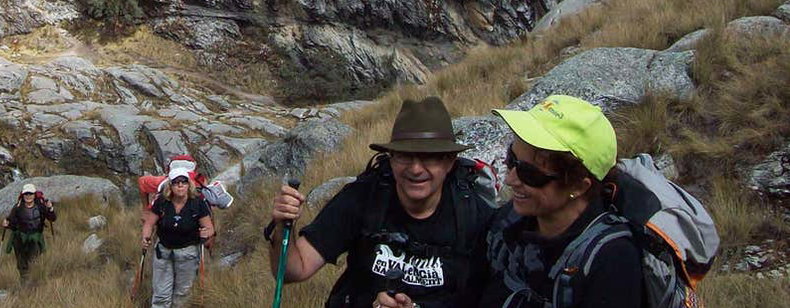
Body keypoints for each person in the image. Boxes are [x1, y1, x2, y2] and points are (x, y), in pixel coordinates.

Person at [268, 96, 498, 308]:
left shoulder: (476, 217)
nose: (416, 169)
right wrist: (282, 228)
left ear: (449, 162)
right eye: (405, 156)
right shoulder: (363, 197)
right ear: (391, 158)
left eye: (429, 157)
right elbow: (292, 271)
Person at [481, 95, 643, 308]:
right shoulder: (508, 222)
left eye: (529, 173)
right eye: (512, 161)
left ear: (578, 186)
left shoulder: (612, 261)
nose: (510, 179)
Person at [142, 167, 215, 308]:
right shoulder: (162, 202)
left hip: (187, 254)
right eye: (176, 182)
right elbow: (149, 223)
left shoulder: (197, 203)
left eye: (184, 182)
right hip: (163, 252)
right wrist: (145, 237)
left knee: (182, 295)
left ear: (189, 184)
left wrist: (206, 233)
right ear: (170, 185)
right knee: (161, 295)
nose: (180, 185)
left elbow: (210, 228)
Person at [2, 183, 56, 280]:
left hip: (35, 238)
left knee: (34, 260)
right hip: (20, 240)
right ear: (23, 195)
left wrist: (50, 208)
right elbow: (12, 224)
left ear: (34, 195)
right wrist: (7, 224)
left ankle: (34, 281)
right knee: (22, 263)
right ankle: (25, 282)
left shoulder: (40, 206)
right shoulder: (17, 208)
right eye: (26, 194)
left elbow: (52, 218)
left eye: (30, 194)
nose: (28, 196)